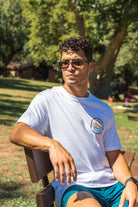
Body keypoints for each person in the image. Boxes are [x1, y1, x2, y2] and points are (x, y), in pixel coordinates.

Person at [10, 36, 138, 207]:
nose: (69, 68)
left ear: (90, 66)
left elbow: (114, 157)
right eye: (65, 63)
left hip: (111, 186)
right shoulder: (48, 99)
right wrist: (52, 145)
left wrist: (129, 182)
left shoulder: (103, 109)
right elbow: (17, 133)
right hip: (75, 186)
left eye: (77, 62)